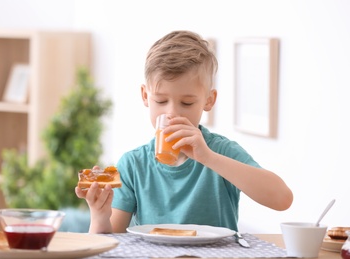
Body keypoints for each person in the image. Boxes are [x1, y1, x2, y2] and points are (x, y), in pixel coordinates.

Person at [75, 30, 293, 234]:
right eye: (160, 101)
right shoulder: (133, 165)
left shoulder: (220, 151)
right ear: (145, 96)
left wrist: (208, 157)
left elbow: (282, 199)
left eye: (187, 103)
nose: (172, 113)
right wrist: (99, 216)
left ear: (209, 100)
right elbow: (111, 244)